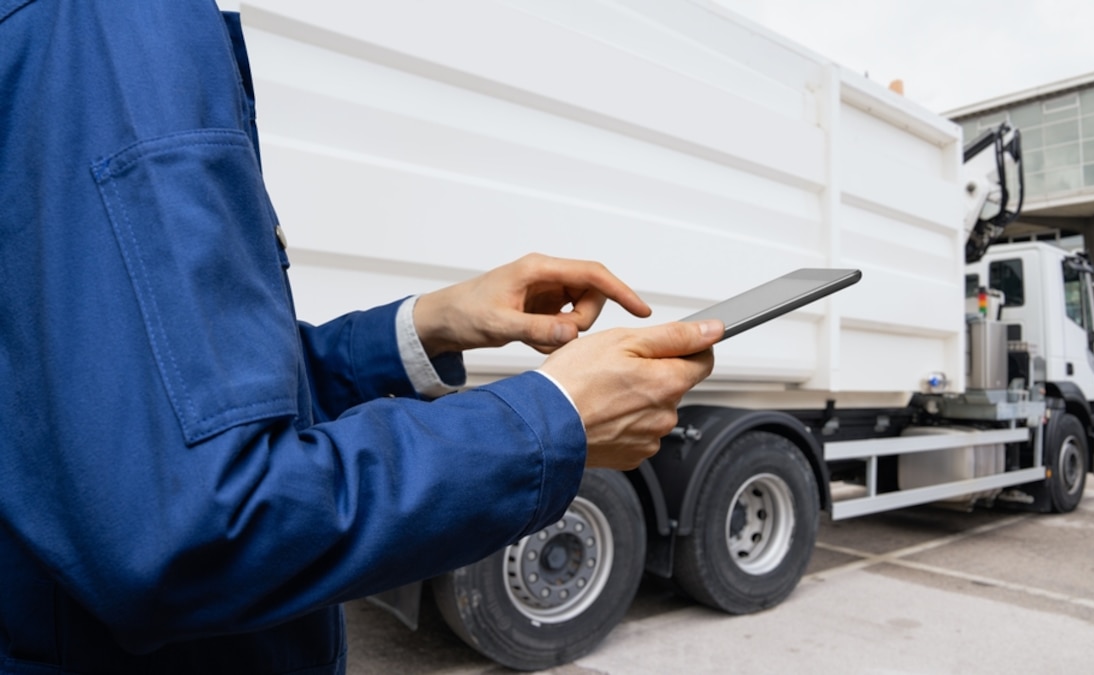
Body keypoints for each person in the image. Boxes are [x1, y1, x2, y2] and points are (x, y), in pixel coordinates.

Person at [0, 2, 721, 673]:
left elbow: (147, 411)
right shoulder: (110, 26)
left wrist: (424, 325)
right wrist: (551, 420)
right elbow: (199, 528)